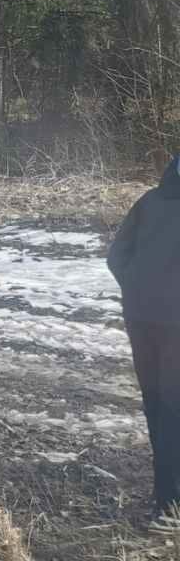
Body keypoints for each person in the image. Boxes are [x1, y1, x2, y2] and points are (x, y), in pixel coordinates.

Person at [109, 154, 180, 531]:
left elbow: (116, 255)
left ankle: (164, 501)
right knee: (173, 410)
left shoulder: (149, 201)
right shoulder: (148, 202)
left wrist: (137, 289)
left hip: (141, 318)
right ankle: (170, 506)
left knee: (157, 405)